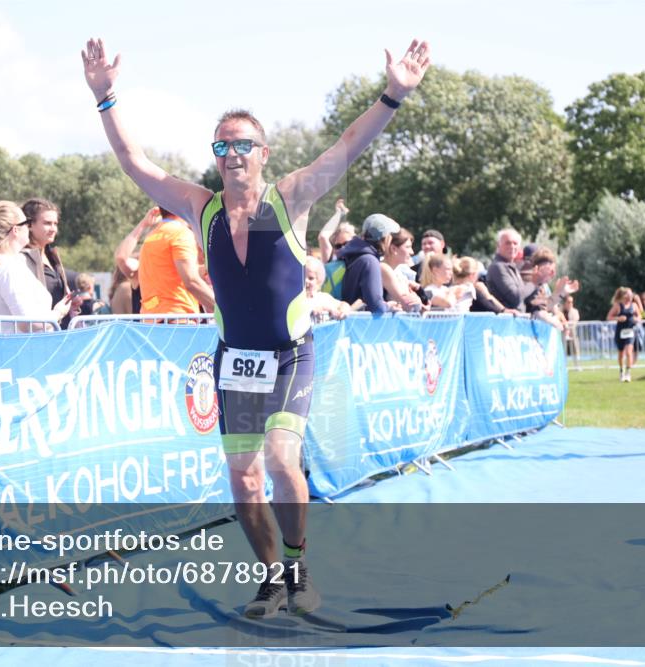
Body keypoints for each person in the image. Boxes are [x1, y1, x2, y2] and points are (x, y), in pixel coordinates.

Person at [82, 34, 430, 617]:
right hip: (234, 358)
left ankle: (299, 565)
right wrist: (106, 95)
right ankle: (271, 578)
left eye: (244, 144)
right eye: (223, 145)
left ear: (263, 152)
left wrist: (394, 94)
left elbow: (346, 146)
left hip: (290, 354)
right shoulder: (200, 206)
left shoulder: (291, 196)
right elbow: (134, 162)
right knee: (243, 482)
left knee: (280, 459)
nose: (232, 153)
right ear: (216, 156)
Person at [0, 201, 77, 333]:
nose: (28, 228)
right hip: (21, 350)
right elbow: (30, 324)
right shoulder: (8, 268)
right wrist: (58, 312)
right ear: (16, 230)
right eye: (26, 223)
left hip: (9, 349)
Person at [115, 206, 215, 316]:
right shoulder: (179, 234)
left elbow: (195, 272)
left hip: (154, 324)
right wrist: (224, 310)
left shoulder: (156, 246)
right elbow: (121, 257)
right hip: (176, 321)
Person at [20, 198, 78, 328]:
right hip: (39, 333)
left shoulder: (52, 255)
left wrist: (69, 303)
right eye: (47, 223)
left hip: (59, 330)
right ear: (29, 225)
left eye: (55, 223)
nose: (53, 229)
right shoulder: (21, 258)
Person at [337, 214, 406, 314]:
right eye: (390, 235)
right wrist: (388, 306)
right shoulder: (370, 261)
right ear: (386, 238)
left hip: (349, 324)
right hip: (362, 326)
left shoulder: (352, 257)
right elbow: (376, 306)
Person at [485, 228, 537, 312]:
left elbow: (525, 297)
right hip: (505, 322)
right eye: (507, 243)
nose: (512, 246)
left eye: (515, 243)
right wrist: (534, 282)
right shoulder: (497, 267)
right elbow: (516, 297)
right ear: (498, 245)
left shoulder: (511, 266)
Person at [381, 228, 425, 311]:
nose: (412, 252)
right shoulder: (382, 268)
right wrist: (418, 301)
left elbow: (414, 305)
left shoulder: (401, 272)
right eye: (408, 247)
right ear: (394, 249)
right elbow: (409, 305)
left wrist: (419, 302)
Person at [606, 287, 641, 382]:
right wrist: (618, 318)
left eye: (631, 295)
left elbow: (640, 316)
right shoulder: (618, 305)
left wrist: (636, 319)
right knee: (621, 354)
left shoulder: (634, 305)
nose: (630, 297)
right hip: (620, 332)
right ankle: (621, 371)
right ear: (624, 295)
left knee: (629, 352)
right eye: (628, 295)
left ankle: (628, 373)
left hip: (630, 332)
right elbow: (609, 317)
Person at [304, 256, 352, 322]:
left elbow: (343, 304)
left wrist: (343, 310)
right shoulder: (294, 298)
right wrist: (327, 309)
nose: (306, 281)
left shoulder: (323, 297)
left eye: (311, 278)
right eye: (302, 276)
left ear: (318, 281)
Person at [317, 198, 354, 263]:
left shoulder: (362, 259)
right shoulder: (332, 261)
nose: (342, 248)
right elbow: (322, 237)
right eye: (338, 246)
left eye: (346, 244)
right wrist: (339, 213)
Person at [561, 295, 581, 368]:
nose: (570, 303)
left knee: (575, 350)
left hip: (573, 333)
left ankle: (577, 366)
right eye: (569, 302)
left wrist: (568, 327)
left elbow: (575, 321)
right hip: (562, 334)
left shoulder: (575, 311)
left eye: (571, 302)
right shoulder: (560, 311)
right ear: (565, 302)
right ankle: (563, 366)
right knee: (563, 350)